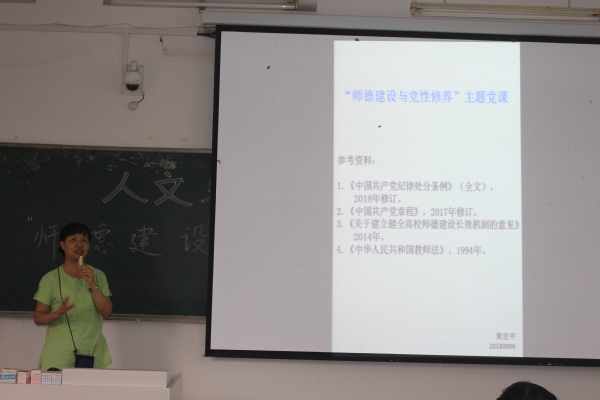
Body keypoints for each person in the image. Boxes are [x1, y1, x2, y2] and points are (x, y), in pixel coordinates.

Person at [33, 222, 113, 370]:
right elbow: (38, 318)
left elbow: (106, 311)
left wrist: (92, 284)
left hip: (93, 354)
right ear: (63, 245)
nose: (79, 244)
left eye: (84, 240)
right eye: (73, 240)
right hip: (59, 356)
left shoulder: (98, 275)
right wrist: (56, 314)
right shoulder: (50, 279)